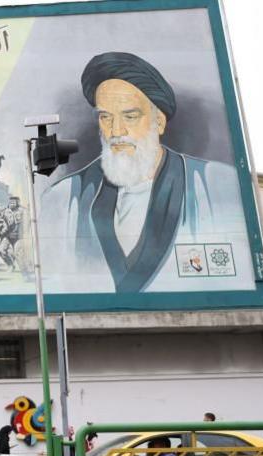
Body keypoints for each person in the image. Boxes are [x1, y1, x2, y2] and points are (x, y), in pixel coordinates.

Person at [39, 52, 247, 294]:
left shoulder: (215, 184)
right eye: (106, 117)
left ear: (159, 121)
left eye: (130, 116)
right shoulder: (62, 198)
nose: (116, 130)